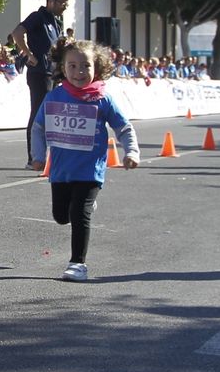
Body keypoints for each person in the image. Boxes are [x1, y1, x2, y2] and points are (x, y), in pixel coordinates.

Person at [28, 39, 139, 282]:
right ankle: (83, 208)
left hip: (90, 170)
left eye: (85, 66)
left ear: (96, 68)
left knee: (79, 213)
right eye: (73, 66)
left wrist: (131, 152)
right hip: (61, 170)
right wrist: (38, 156)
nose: (79, 72)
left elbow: (123, 127)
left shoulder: (102, 99)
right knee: (61, 216)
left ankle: (78, 263)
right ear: (63, 69)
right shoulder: (54, 97)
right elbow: (38, 127)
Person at [11, 0, 71, 166]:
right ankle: (33, 157)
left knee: (51, 114)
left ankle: (47, 154)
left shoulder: (57, 23)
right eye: (62, 3)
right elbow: (17, 33)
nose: (64, 7)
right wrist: (28, 54)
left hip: (52, 74)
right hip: (39, 73)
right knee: (38, 113)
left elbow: (58, 47)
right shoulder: (37, 17)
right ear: (51, 2)